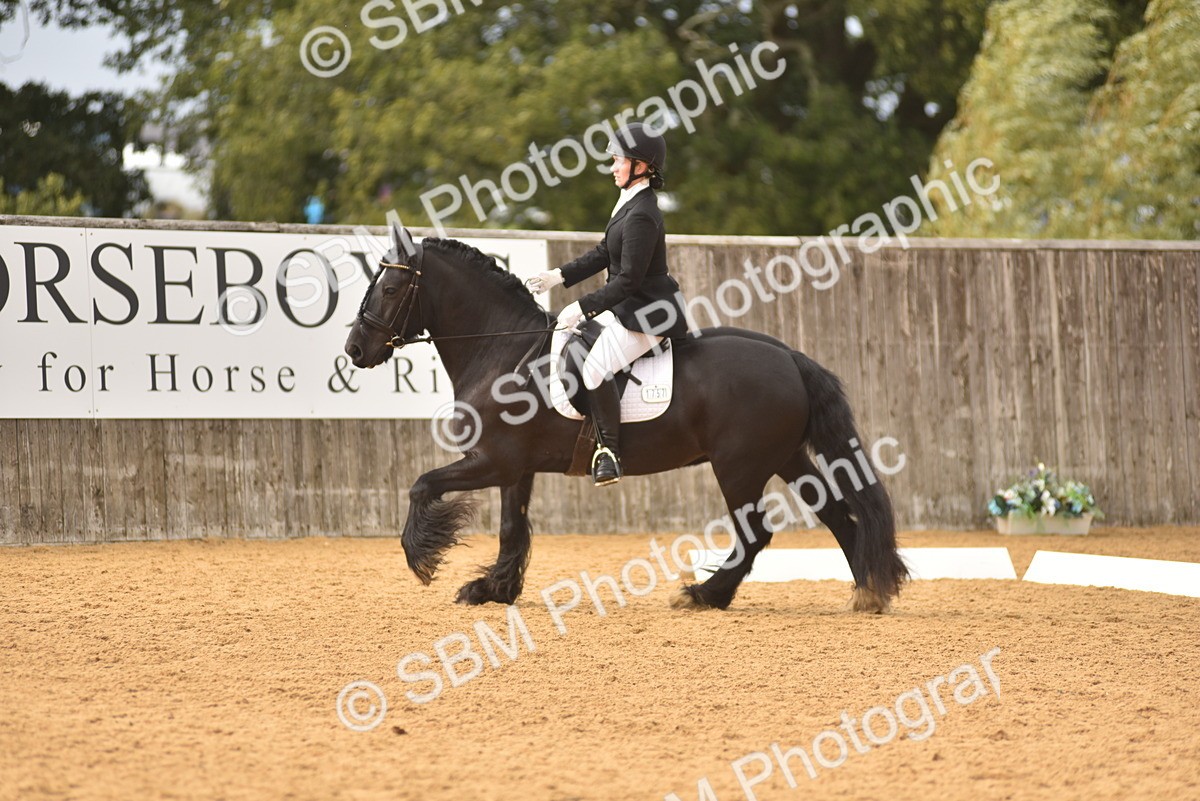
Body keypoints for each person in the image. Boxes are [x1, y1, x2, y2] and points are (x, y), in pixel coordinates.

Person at [527, 122, 689, 486]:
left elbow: (629, 279)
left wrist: (582, 307)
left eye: (619, 160)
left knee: (595, 368)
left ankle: (609, 454)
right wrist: (558, 275)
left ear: (641, 166)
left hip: (648, 315)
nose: (613, 167)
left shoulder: (643, 213)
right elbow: (604, 252)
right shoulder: (629, 202)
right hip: (628, 309)